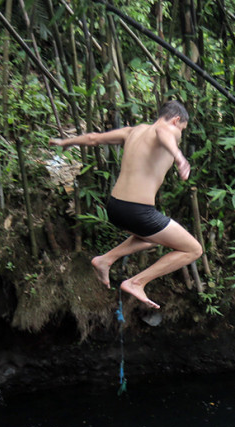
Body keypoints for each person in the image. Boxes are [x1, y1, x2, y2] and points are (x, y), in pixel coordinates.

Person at [50, 101, 203, 309]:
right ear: (176, 120)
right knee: (193, 250)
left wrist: (66, 142)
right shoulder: (168, 129)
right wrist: (179, 157)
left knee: (152, 238)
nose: (180, 134)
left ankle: (105, 260)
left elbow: (93, 138)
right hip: (138, 211)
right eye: (182, 130)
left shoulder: (134, 131)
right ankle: (136, 282)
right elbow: (163, 131)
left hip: (114, 207)